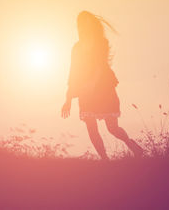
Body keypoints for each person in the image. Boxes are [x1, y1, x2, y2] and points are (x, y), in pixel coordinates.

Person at [61, 11, 143, 160]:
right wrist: (68, 99)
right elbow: (73, 71)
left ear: (91, 24)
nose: (82, 26)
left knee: (112, 128)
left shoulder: (101, 42)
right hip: (84, 90)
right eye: (80, 23)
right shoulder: (77, 47)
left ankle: (132, 145)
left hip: (104, 88)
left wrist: (92, 85)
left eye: (86, 22)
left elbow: (100, 65)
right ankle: (105, 160)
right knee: (91, 128)